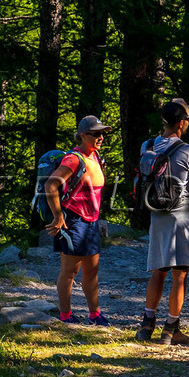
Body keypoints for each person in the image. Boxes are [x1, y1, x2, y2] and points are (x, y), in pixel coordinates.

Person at [136, 96, 189, 345]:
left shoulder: (148, 146)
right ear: (182, 124)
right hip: (182, 215)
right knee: (180, 274)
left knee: (158, 271)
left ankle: (146, 325)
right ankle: (170, 328)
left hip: (156, 213)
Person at [42, 113, 110, 325]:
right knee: (70, 271)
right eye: (95, 134)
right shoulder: (74, 158)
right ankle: (65, 315)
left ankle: (95, 314)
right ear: (82, 135)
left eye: (102, 134)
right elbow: (50, 185)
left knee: (92, 271)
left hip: (91, 221)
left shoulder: (95, 156)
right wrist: (58, 215)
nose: (100, 138)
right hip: (74, 220)